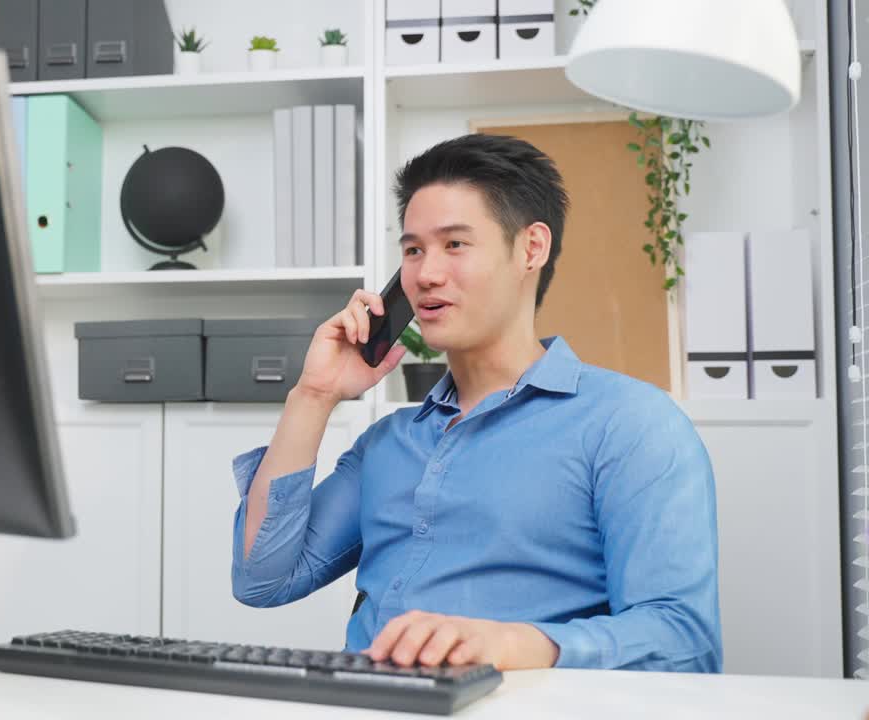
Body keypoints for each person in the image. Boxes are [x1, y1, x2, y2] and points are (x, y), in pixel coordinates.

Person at [229, 134, 722, 672]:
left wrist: (512, 646)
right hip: (365, 702)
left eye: (455, 244)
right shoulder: (388, 444)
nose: (426, 274)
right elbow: (262, 580)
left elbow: (684, 642)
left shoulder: (630, 425)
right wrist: (314, 395)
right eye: (413, 250)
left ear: (531, 249)